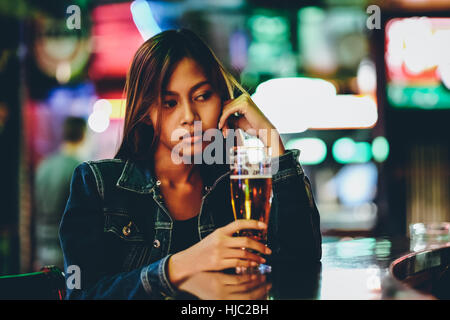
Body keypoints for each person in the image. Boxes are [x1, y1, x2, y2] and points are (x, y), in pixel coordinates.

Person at [59, 29, 321, 299]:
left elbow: (300, 263)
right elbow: (81, 294)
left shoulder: (234, 185)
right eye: (169, 103)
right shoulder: (99, 185)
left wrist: (272, 140)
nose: (189, 116)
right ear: (146, 113)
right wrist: (178, 270)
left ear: (223, 100)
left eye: (202, 96)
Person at [34, 116, 86, 270]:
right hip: (68, 252)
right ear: (83, 134)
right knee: (70, 292)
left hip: (42, 248)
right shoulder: (79, 169)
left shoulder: (44, 165)